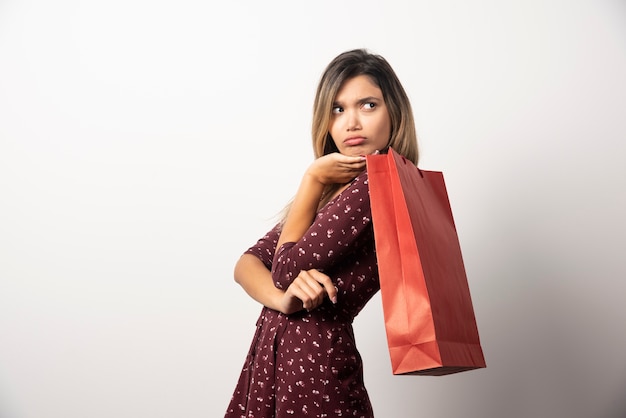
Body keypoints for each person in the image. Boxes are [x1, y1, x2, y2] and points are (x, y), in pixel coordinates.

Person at [224, 48, 419, 418]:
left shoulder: (376, 185)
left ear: (394, 111)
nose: (351, 123)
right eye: (338, 109)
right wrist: (283, 301)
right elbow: (247, 263)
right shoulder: (337, 189)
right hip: (278, 362)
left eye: (368, 105)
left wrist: (312, 178)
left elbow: (281, 269)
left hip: (315, 365)